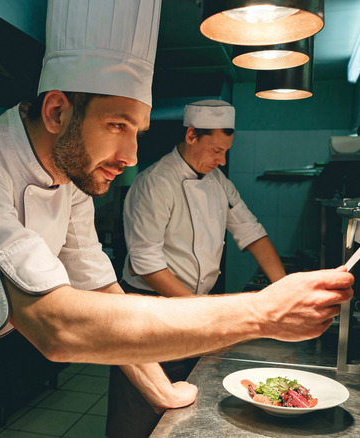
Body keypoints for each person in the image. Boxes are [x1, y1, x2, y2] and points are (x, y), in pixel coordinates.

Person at [0, 1, 354, 436]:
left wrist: (166, 390)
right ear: (57, 109)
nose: (131, 157)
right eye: (118, 125)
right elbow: (54, 325)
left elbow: (100, 288)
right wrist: (261, 311)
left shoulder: (72, 183)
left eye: (138, 131)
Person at [107, 100, 287, 437]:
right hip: (150, 311)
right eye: (217, 150)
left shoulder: (218, 181)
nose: (222, 160)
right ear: (191, 135)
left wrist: (284, 292)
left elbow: (251, 233)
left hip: (189, 305)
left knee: (184, 409)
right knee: (137, 416)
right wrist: (203, 315)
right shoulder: (155, 182)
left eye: (226, 151)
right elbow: (146, 265)